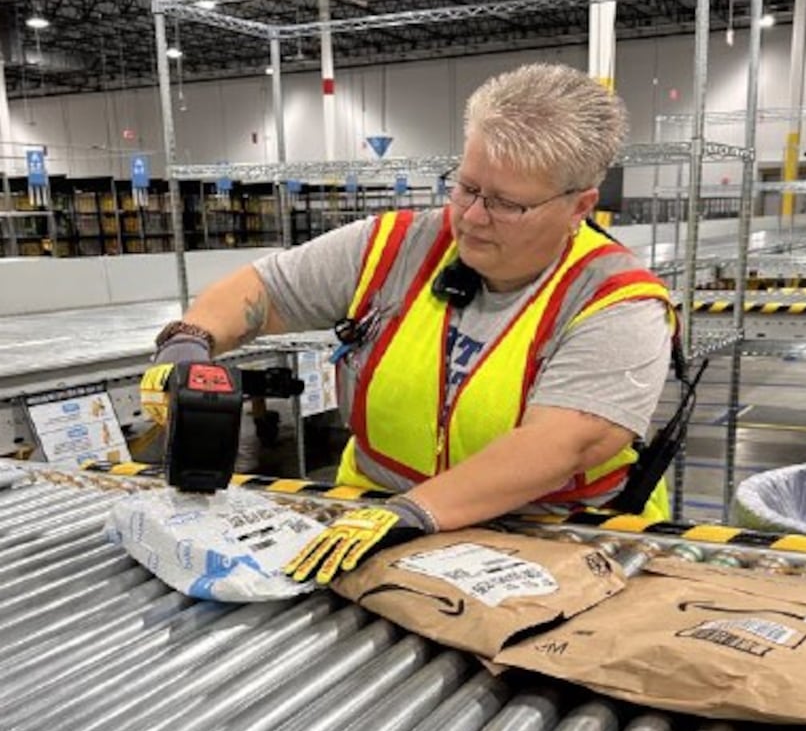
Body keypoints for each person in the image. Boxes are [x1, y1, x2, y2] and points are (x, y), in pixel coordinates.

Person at [145, 63, 675, 584]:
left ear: (578, 206)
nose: (471, 216)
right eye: (465, 187)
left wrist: (415, 512)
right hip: (377, 518)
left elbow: (563, 444)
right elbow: (261, 290)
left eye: (507, 204)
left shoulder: (616, 301)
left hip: (550, 545)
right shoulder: (395, 247)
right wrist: (188, 342)